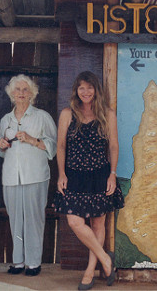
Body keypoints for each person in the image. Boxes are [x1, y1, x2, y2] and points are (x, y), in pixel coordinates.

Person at [54, 71, 124, 290]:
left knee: (97, 223)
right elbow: (61, 146)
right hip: (73, 174)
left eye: (90, 88)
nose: (85, 92)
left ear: (96, 90)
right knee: (75, 221)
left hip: (99, 174)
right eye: (81, 88)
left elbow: (113, 146)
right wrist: (61, 173)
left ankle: (90, 270)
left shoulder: (107, 114)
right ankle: (105, 259)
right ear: (76, 90)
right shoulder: (68, 113)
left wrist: (112, 173)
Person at [0, 74, 57, 277]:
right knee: (15, 219)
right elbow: (1, 150)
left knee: (34, 218)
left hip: (36, 176)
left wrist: (32, 140)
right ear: (11, 94)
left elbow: (53, 146)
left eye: (25, 90)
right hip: (11, 176)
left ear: (32, 93)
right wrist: (1, 144)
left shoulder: (42, 117)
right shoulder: (6, 119)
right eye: (17, 90)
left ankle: (33, 263)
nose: (21, 93)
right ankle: (18, 261)